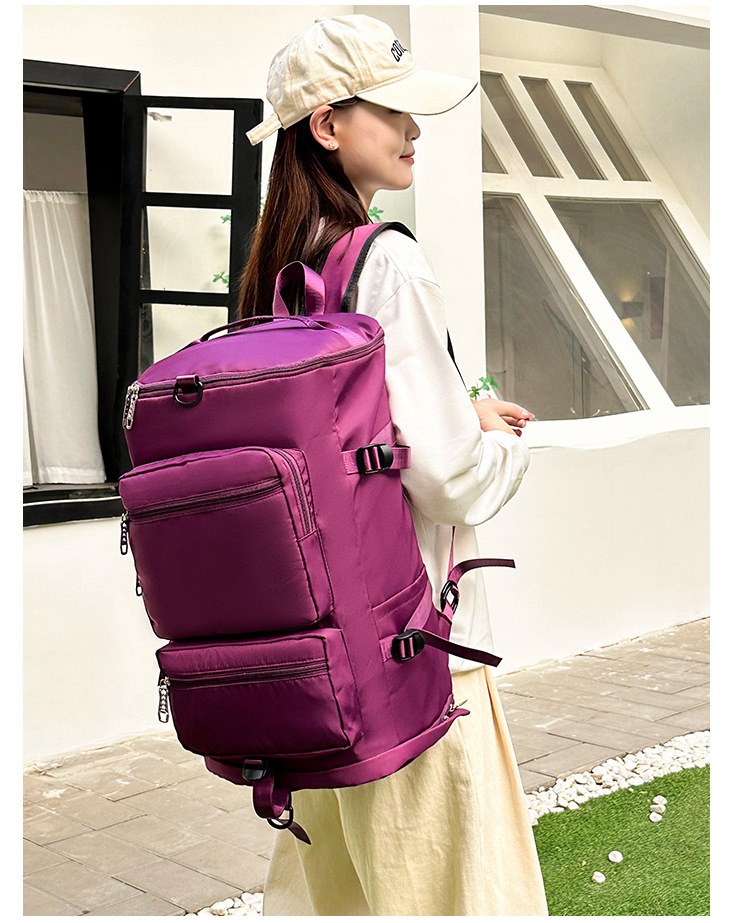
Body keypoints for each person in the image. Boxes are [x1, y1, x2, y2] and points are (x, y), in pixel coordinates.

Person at [239, 14, 548, 917]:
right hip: (417, 646)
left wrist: (460, 404)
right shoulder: (387, 262)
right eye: (391, 111)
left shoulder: (278, 272)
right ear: (328, 125)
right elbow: (450, 478)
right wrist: (504, 443)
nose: (414, 130)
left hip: (319, 651)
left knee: (342, 893)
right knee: (452, 890)